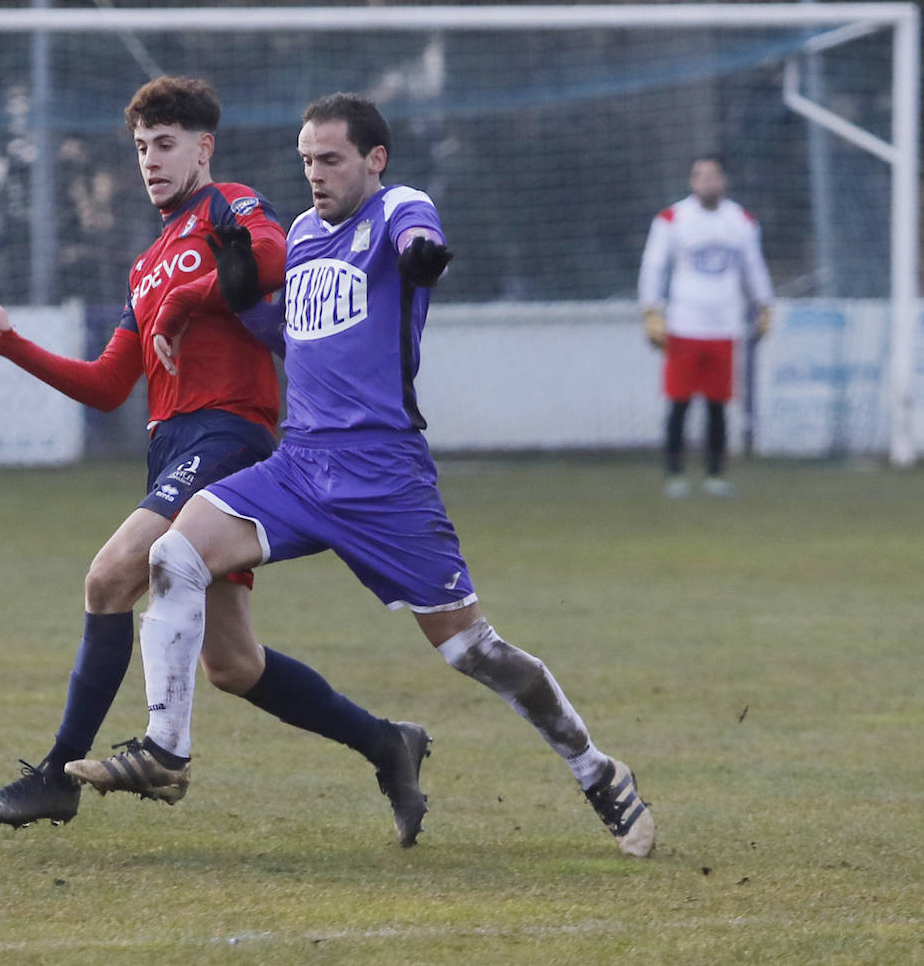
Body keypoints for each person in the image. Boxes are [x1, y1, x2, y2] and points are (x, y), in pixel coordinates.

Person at [67, 93, 656, 858]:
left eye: (331, 160)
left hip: (384, 480)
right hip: (300, 467)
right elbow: (293, 336)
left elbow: (420, 238)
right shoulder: (307, 236)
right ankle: (166, 750)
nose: (315, 175)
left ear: (373, 159)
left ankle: (597, 768)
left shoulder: (398, 208)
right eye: (307, 160)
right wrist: (241, 295)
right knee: (172, 554)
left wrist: (422, 256)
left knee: (471, 649)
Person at [0, 76, 431, 846]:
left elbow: (276, 259)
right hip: (170, 448)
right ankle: (388, 743)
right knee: (233, 663)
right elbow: (110, 385)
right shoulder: (144, 266)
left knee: (111, 574)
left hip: (230, 436)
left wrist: (196, 296)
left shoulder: (230, 206)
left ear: (203, 147)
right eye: (142, 146)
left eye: (167, 144)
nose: (152, 159)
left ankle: (56, 775)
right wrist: (9, 343)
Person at [638, 154, 774, 498]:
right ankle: (675, 474)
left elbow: (753, 267)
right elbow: (654, 265)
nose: (707, 182)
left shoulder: (740, 220)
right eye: (700, 176)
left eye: (713, 176)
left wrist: (764, 304)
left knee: (718, 405)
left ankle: (715, 475)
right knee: (679, 403)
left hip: (725, 326)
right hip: (684, 325)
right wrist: (651, 310)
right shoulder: (672, 219)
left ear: (723, 180)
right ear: (691, 181)